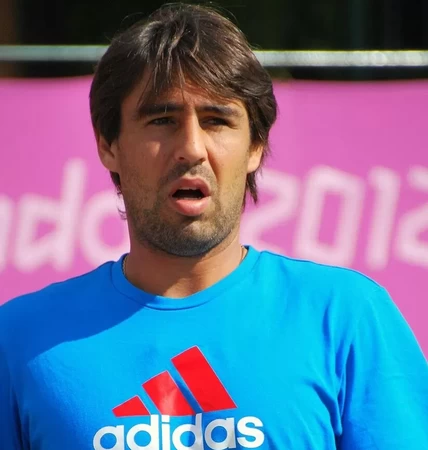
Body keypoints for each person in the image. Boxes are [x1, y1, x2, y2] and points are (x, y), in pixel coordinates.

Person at [1, 3, 427, 450]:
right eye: (162, 120)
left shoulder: (345, 317)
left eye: (216, 121)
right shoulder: (20, 339)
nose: (191, 148)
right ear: (109, 145)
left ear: (255, 146)